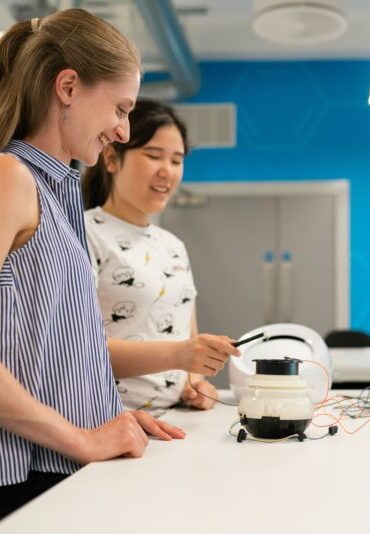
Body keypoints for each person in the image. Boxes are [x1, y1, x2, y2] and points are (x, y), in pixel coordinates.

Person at [0, 9, 237, 519]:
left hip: (65, 466)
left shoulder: (58, 191)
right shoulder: (10, 177)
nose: (124, 130)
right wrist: (83, 439)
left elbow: (56, 351)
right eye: (120, 108)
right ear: (68, 87)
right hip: (27, 475)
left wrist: (110, 415)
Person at [82, 99, 226, 412]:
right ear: (111, 158)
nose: (167, 171)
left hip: (175, 421)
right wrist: (179, 355)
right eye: (153, 155)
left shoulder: (173, 245)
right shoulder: (84, 233)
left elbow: (187, 336)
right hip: (110, 419)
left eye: (176, 160)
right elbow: (78, 350)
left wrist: (195, 382)